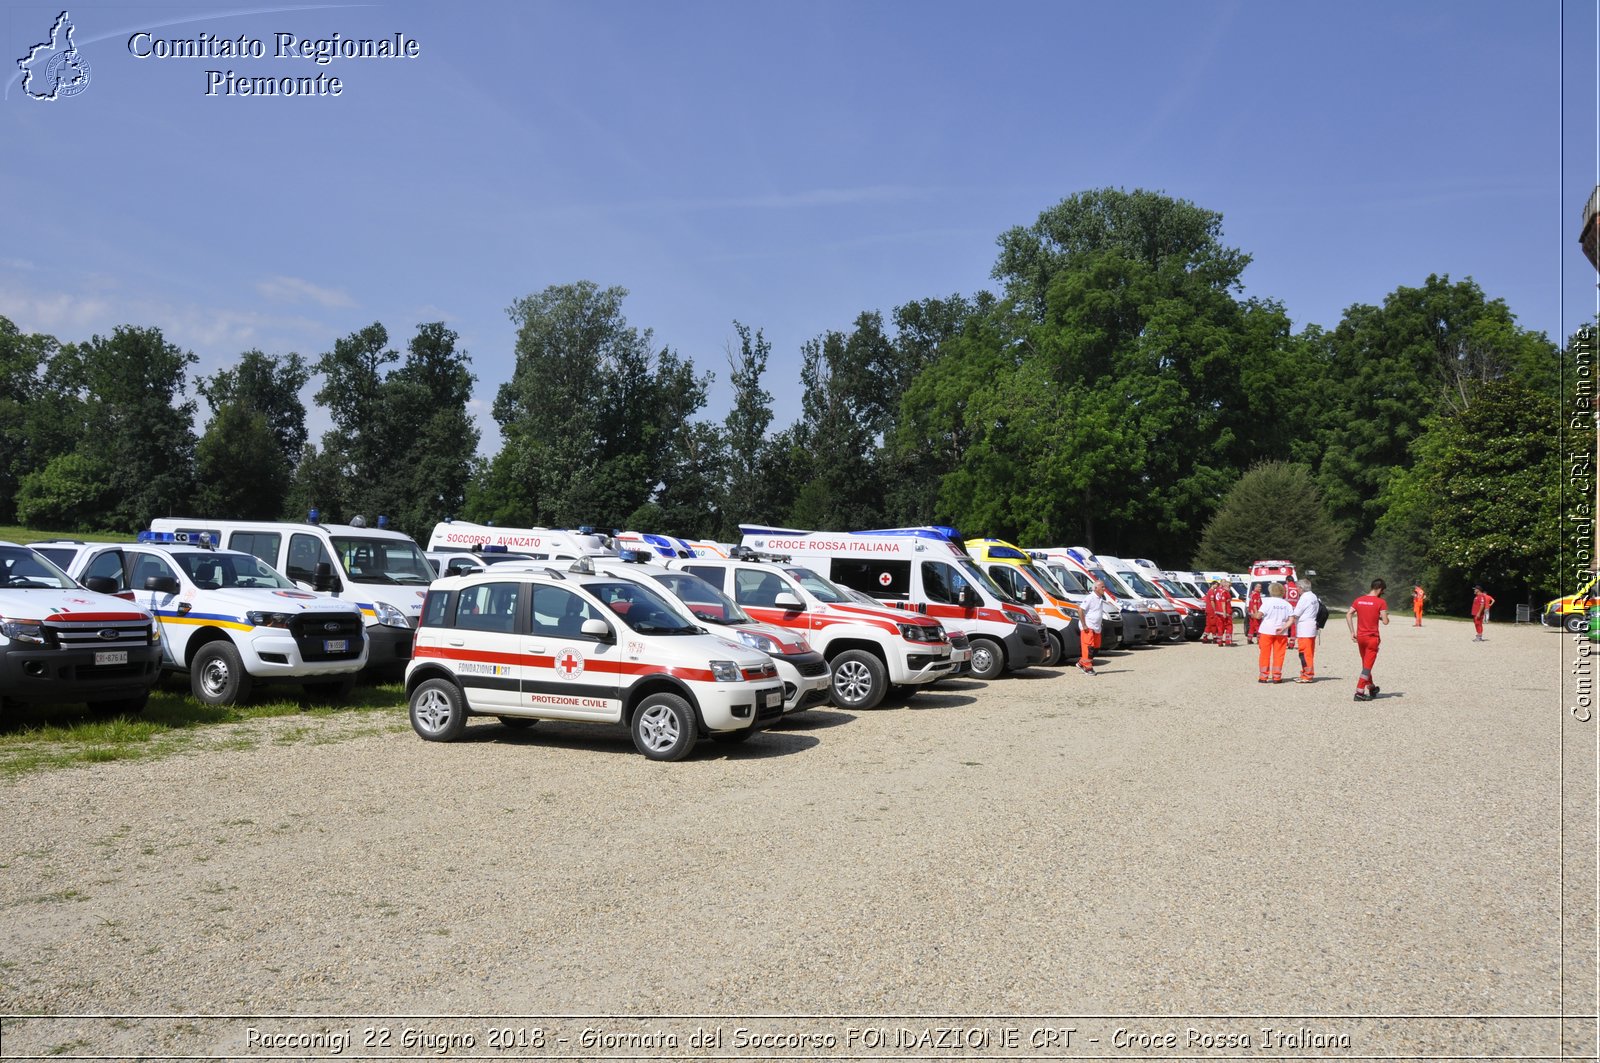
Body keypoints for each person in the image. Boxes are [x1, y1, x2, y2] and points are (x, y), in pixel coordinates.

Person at [1346, 578, 1391, 701]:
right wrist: (1383, 617)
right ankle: (1359, 692)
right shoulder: (1381, 602)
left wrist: (1352, 632)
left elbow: (1348, 614)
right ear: (1381, 589)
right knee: (1367, 667)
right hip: (1372, 638)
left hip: (1361, 637)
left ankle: (1371, 687)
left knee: (1366, 663)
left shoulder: (1359, 600)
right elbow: (1386, 622)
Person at [1250, 583, 1294, 683]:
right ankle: (1277, 676)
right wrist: (1283, 628)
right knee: (1279, 654)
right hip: (1281, 632)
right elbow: (1291, 620)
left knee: (1265, 654)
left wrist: (1252, 615)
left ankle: (1263, 676)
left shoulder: (1267, 603)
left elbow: (1258, 616)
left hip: (1266, 631)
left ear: (1271, 591)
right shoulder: (1287, 604)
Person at [1290, 578, 1321, 683]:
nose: (1297, 590)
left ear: (1301, 588)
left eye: (1297, 588)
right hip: (1311, 627)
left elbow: (1296, 613)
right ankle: (1305, 673)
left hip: (1304, 628)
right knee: (1309, 652)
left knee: (1304, 653)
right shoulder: (1313, 596)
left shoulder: (1304, 598)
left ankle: (1307, 675)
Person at [1079, 581, 1106, 675]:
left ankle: (1082, 662)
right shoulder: (1090, 598)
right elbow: (1080, 610)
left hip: (1096, 627)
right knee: (1089, 647)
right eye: (1102, 587)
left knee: (1096, 648)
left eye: (1104, 587)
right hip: (1088, 626)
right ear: (1095, 588)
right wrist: (1084, 625)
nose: (1104, 589)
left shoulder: (1100, 598)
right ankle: (1087, 667)